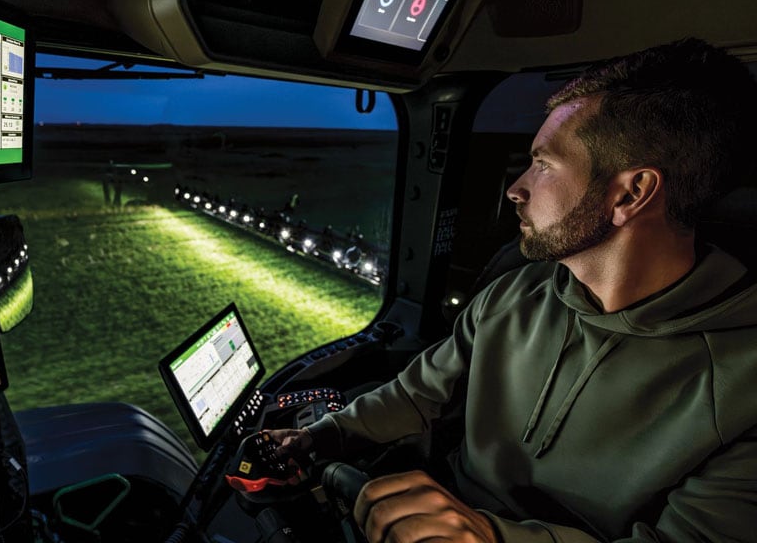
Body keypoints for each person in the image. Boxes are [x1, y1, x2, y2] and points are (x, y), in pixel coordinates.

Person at [268, 37, 757, 542]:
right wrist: (319, 438)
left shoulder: (745, 384)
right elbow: (418, 394)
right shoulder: (517, 292)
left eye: (543, 165)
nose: (516, 189)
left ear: (631, 193)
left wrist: (491, 536)